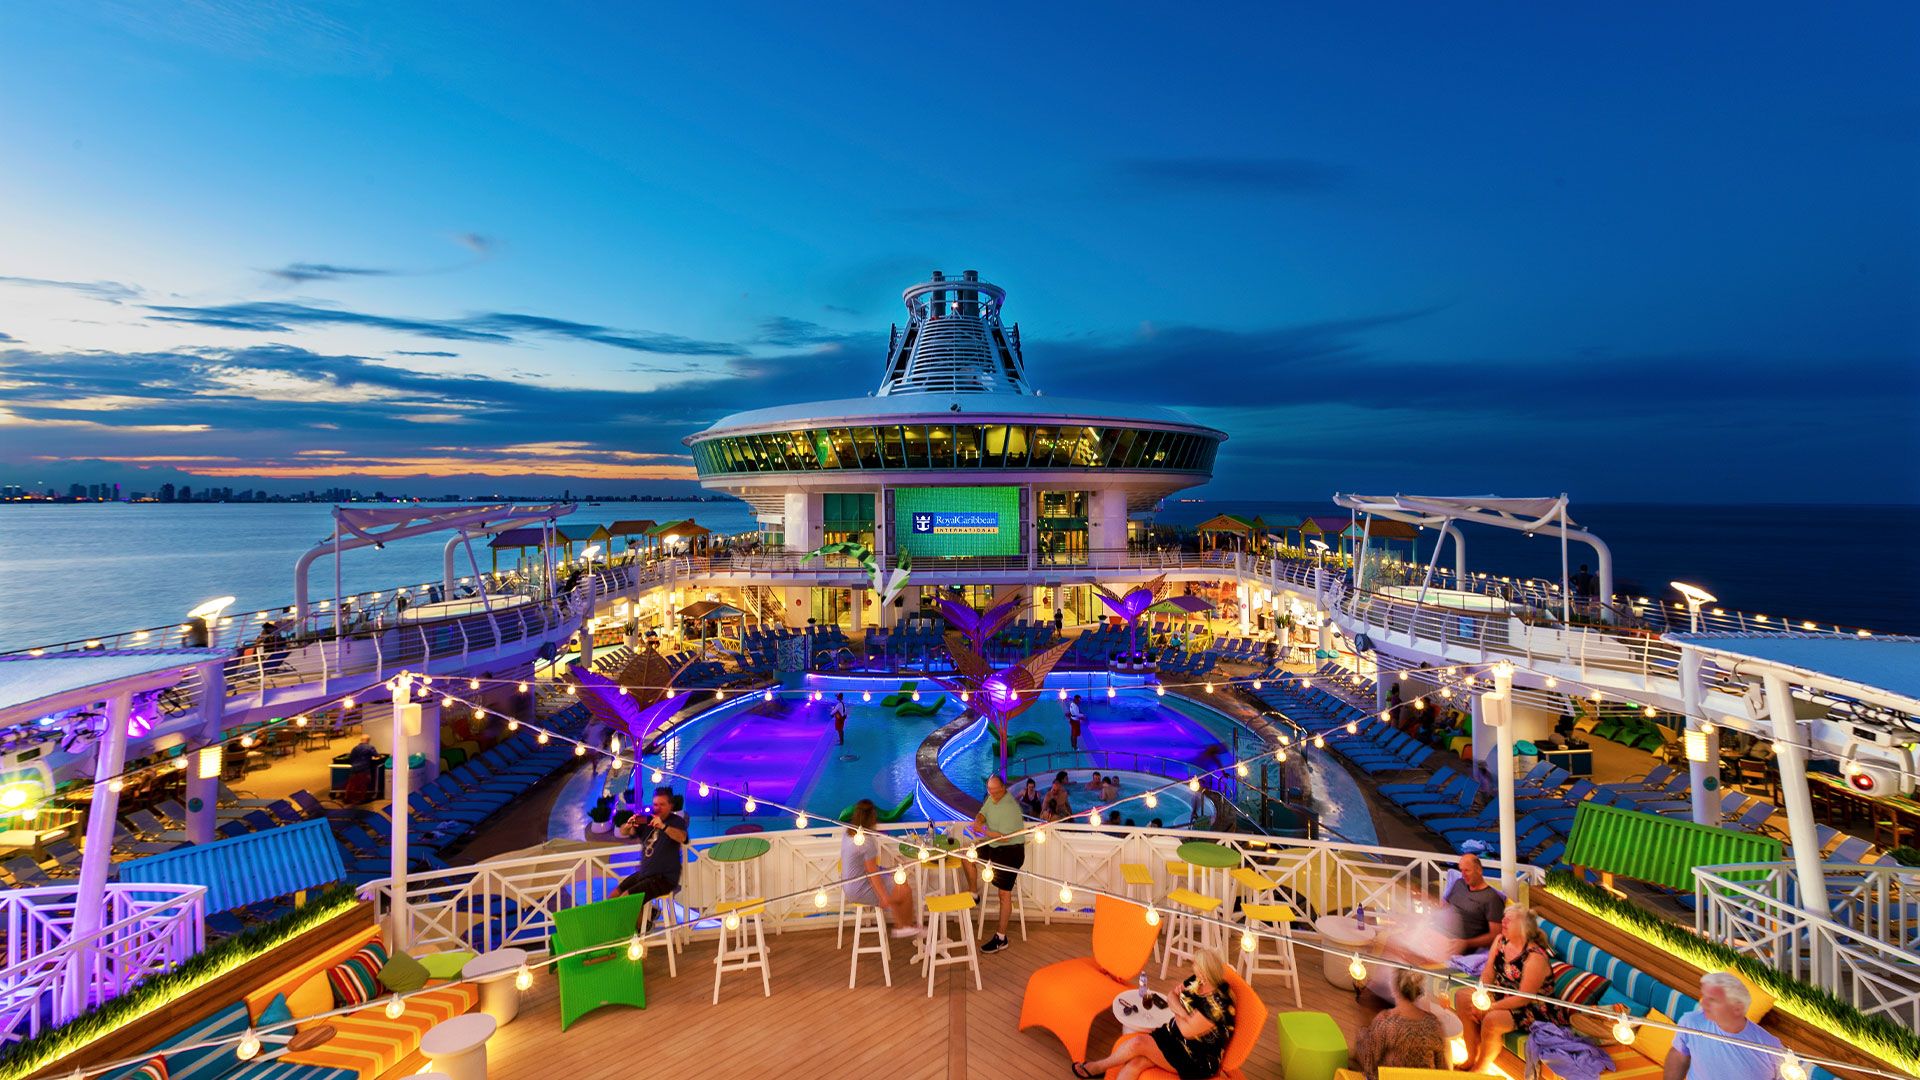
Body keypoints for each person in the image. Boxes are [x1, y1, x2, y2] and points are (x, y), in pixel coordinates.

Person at [1075, 949, 1236, 1079]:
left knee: (1138, 1043)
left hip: (1195, 1057)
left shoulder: (1217, 1005)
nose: (1195, 971)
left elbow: (1187, 1032)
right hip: (1173, 1036)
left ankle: (1097, 1067)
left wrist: (1177, 1008)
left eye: (1198, 969)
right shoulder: (1199, 981)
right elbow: (1171, 996)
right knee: (1136, 1063)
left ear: (1207, 973)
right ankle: (1098, 1068)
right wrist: (1184, 1014)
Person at [1452, 907, 1566, 1072]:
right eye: (1504, 917)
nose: (1503, 921)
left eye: (1509, 919)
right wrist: (1480, 995)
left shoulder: (1535, 957)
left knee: (1492, 1019)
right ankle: (1471, 1056)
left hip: (1532, 1007)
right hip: (1502, 993)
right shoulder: (1501, 941)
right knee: (1463, 997)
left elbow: (1523, 998)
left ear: (1523, 927)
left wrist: (1489, 1008)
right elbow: (1488, 972)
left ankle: (1481, 1068)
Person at [1664, 971, 1783, 1080]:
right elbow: (1678, 1055)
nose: (1703, 1003)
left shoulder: (1771, 1047)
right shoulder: (1691, 1022)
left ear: (1737, 1008)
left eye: (1713, 1000)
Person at [840, 799, 920, 938]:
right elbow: (872, 873)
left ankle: (904, 925)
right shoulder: (867, 841)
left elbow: (868, 868)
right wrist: (884, 897)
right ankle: (903, 926)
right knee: (905, 890)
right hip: (859, 888)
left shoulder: (849, 833)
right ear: (872, 817)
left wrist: (887, 872)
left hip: (847, 883)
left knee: (899, 881)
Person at [1352, 968, 1448, 1079]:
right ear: (1418, 992)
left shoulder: (1386, 1022)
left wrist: (1362, 1035)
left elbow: (1369, 1063)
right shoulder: (1433, 1023)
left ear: (1394, 990)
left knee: (1363, 1036)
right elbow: (1441, 1068)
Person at [969, 775, 1027, 954]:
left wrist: (983, 830)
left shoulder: (1010, 808)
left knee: (1004, 894)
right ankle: (974, 894)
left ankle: (1001, 938)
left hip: (1011, 850)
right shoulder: (991, 798)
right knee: (967, 855)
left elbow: (1005, 837)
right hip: (994, 846)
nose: (992, 794)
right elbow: (982, 812)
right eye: (990, 791)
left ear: (1003, 787)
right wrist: (979, 820)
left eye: (996, 791)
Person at [611, 786, 689, 904]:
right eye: (655, 804)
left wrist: (663, 826)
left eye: (662, 805)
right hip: (646, 873)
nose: (657, 808)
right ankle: (640, 920)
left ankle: (635, 921)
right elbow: (625, 832)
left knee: (627, 898)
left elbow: (682, 837)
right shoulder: (647, 820)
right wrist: (628, 826)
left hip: (663, 878)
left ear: (670, 806)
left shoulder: (676, 821)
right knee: (615, 893)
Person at [1439, 853, 1506, 958]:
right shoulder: (1459, 883)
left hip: (1456, 945)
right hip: (1440, 932)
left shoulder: (1492, 898)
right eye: (1461, 870)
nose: (1463, 875)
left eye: (1467, 870)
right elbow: (1445, 906)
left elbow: (1496, 935)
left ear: (1479, 870)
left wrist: (1466, 943)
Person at [344, 736, 379, 804]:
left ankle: (347, 798)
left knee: (351, 784)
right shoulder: (370, 747)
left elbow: (351, 758)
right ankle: (361, 799)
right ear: (368, 740)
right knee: (363, 784)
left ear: (361, 740)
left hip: (354, 768)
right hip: (364, 768)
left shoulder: (355, 748)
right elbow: (376, 755)